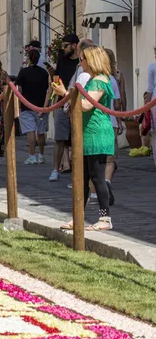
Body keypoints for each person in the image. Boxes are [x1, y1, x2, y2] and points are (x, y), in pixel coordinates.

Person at [51, 45, 115, 231]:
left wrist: (64, 93)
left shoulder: (101, 80)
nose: (80, 62)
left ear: (93, 60)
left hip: (97, 133)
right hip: (87, 132)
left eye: (83, 59)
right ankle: (79, 216)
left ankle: (105, 218)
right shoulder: (92, 79)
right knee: (83, 177)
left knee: (97, 178)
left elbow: (86, 104)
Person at [51, 34, 81, 181]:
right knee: (60, 137)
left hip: (77, 103)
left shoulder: (81, 63)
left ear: (75, 45)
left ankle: (78, 169)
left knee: (77, 138)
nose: (64, 49)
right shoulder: (62, 61)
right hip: (61, 102)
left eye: (66, 45)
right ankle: (56, 169)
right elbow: (56, 79)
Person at [14, 46, 50, 164]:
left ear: (28, 58)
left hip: (26, 105)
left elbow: (19, 89)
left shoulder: (23, 72)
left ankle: (32, 155)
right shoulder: (44, 73)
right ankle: (41, 154)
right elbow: (47, 90)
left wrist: (18, 104)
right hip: (41, 105)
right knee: (40, 131)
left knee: (30, 131)